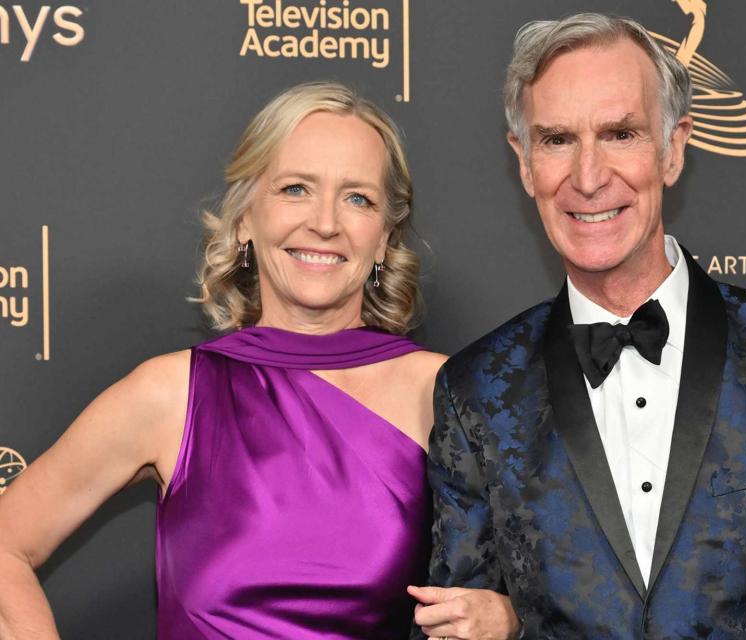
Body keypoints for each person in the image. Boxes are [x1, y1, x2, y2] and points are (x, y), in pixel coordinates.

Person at [412, 13, 746, 639]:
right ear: (523, 161)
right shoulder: (477, 391)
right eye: (557, 140)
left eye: (620, 133)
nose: (589, 177)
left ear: (673, 148)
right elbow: (454, 625)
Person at [0, 82, 449, 639]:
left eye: (358, 198)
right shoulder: (172, 394)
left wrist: (506, 617)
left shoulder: (441, 394)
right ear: (243, 220)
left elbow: (554, 581)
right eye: (295, 189)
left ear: (383, 238)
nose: (326, 223)